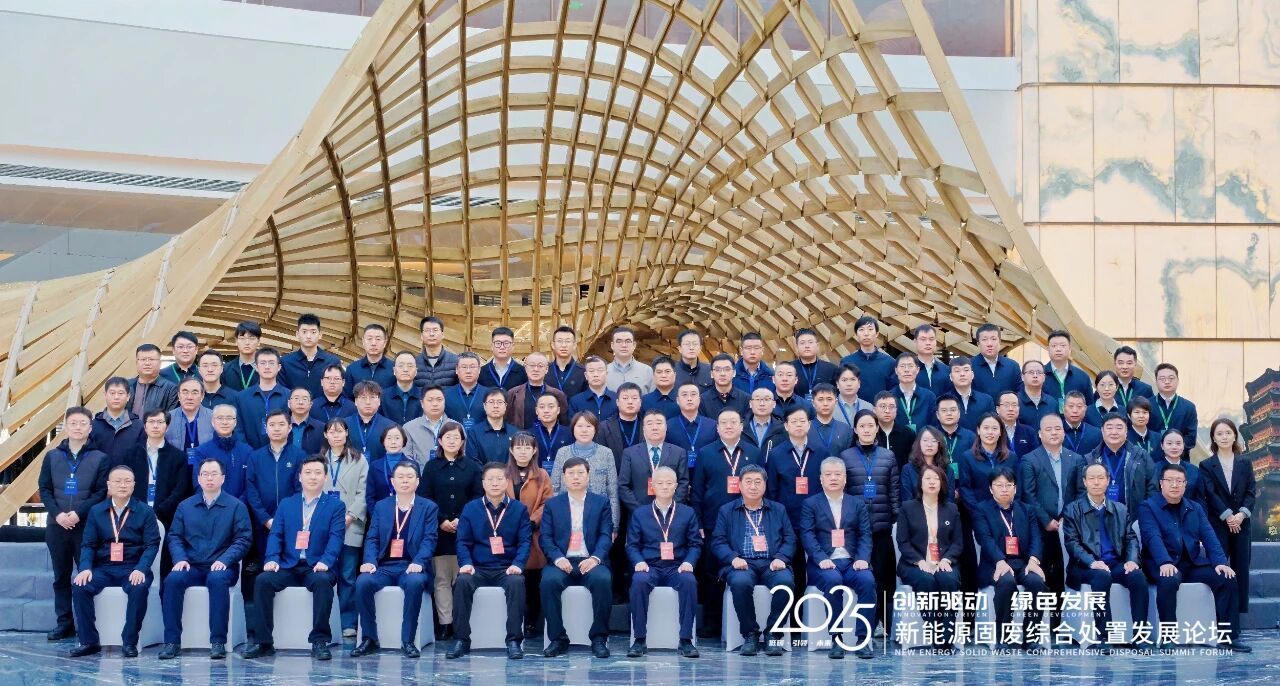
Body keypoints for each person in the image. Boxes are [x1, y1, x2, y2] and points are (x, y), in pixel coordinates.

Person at [243, 455, 346, 660]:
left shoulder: (336, 506)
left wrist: (326, 561)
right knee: (263, 580)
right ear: (299, 477)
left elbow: (336, 538)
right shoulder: (286, 504)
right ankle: (264, 642)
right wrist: (272, 559)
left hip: (317, 566)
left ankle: (319, 641)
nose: (312, 477)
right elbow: (276, 534)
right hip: (288, 565)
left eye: (318, 473)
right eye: (308, 473)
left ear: (325, 477)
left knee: (323, 582)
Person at [1139, 462, 1250, 652]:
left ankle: (1227, 637)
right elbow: (1152, 537)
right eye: (1170, 480)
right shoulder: (1148, 507)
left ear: (1185, 485)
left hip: (1191, 563)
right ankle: (1168, 637)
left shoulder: (1194, 508)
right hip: (1161, 564)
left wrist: (1221, 562)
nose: (1175, 485)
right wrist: (1164, 561)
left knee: (1226, 577)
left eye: (1179, 481)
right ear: (1161, 483)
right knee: (1168, 579)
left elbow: (1209, 536)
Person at [159, 458, 253, 660]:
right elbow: (174, 536)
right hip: (192, 565)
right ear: (199, 478)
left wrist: (225, 560)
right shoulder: (185, 506)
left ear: (223, 478)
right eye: (205, 474)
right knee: (173, 580)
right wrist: (180, 558)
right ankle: (172, 642)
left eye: (214, 474)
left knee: (217, 580)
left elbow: (243, 539)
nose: (209, 478)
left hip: (223, 566)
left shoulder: (236, 506)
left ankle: (218, 641)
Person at [69, 465, 162, 657]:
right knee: (80, 586)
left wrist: (141, 568)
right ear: (109, 485)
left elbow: (152, 544)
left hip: (133, 567)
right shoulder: (96, 511)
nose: (122, 485)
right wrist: (85, 568)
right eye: (118, 481)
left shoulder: (145, 511)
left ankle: (129, 641)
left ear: (134, 485)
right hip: (103, 567)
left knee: (139, 587)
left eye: (127, 481)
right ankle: (89, 641)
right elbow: (88, 544)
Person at [350, 461, 441, 658]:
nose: (405, 481)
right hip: (384, 566)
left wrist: (419, 562)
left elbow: (429, 539)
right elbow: (373, 538)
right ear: (392, 481)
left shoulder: (429, 507)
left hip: (411, 566)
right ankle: (369, 638)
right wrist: (370, 561)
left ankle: (408, 640)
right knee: (363, 582)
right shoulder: (382, 506)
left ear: (417, 481)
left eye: (409, 477)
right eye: (400, 477)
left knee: (415, 583)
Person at [447, 463, 534, 660]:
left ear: (507, 481)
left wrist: (518, 564)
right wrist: (466, 563)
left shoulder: (519, 509)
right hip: (477, 567)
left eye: (499, 479)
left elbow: (524, 542)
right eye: (490, 479)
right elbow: (462, 541)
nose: (495, 483)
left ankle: (514, 640)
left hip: (507, 568)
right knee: (461, 582)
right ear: (483, 483)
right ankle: (461, 639)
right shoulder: (471, 508)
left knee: (517, 583)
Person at [1061, 462, 1149, 653]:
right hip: (1084, 567)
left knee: (1138, 577)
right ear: (1084, 482)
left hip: (1115, 563)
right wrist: (1092, 562)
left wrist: (1132, 560)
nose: (1096, 482)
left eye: (1101, 478)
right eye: (1091, 478)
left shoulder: (1120, 509)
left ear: (1108, 481)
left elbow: (1131, 539)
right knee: (1101, 576)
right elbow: (1072, 544)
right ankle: (1104, 636)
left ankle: (1140, 636)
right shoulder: (1072, 509)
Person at [39, 407, 110, 642]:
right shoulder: (52, 456)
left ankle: (87, 625)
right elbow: (45, 489)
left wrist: (78, 514)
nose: (78, 427)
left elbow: (100, 492)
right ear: (66, 427)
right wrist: (58, 514)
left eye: (83, 423)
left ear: (90, 428)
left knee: (87, 575)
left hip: (86, 526)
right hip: (56, 525)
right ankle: (64, 623)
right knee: (61, 576)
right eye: (73, 423)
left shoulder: (100, 458)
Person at [710, 465, 795, 657]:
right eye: (748, 482)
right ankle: (750, 634)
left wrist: (781, 557)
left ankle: (774, 633)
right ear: (739, 485)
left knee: (785, 583)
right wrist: (732, 558)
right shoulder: (727, 510)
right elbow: (718, 541)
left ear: (765, 485)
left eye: (758, 482)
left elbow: (790, 539)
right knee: (740, 583)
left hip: (772, 563)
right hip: (742, 563)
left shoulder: (778, 509)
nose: (753, 486)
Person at [800, 457, 876, 660]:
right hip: (823, 563)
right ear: (821, 479)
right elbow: (807, 535)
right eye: (828, 474)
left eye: (837, 474)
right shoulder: (811, 504)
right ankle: (837, 638)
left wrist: (862, 558)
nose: (833, 478)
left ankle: (863, 639)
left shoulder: (857, 504)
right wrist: (820, 558)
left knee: (867, 581)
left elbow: (865, 534)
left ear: (845, 478)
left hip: (852, 562)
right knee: (833, 581)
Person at [539, 457, 615, 658]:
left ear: (588, 476)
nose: (575, 477)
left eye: (580, 473)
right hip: (562, 560)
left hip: (590, 559)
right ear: (563, 477)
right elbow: (545, 537)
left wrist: (595, 558)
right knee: (548, 582)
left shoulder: (601, 502)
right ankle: (558, 639)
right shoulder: (553, 504)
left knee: (603, 580)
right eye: (571, 473)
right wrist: (558, 558)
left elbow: (605, 535)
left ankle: (598, 638)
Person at [1018, 412, 1085, 630]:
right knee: (1043, 570)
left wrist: (1066, 516)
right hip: (1039, 527)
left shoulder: (1076, 459)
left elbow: (1079, 491)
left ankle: (1059, 620)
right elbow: (1028, 494)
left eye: (1058, 428)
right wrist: (1046, 520)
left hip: (1068, 526)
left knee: (1063, 572)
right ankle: (1041, 622)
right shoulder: (1030, 460)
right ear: (1040, 434)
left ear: (1064, 432)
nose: (1054, 433)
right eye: (1048, 429)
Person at [626, 465, 701, 658]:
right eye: (660, 483)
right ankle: (639, 639)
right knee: (639, 581)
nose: (665, 487)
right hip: (650, 566)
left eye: (669, 483)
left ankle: (686, 640)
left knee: (689, 581)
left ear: (676, 486)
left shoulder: (687, 513)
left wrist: (689, 562)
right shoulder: (640, 513)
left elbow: (695, 544)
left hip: (677, 566)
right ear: (652, 485)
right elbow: (632, 545)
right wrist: (638, 562)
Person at [417, 421, 482, 641]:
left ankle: (462, 622)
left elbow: (477, 496)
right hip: (440, 531)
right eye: (447, 437)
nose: (452, 441)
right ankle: (446, 623)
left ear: (463, 441)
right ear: (440, 441)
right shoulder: (431, 467)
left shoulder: (472, 466)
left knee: (462, 578)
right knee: (442, 579)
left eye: (456, 437)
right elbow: (425, 496)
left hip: (466, 531)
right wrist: (441, 520)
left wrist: (462, 519)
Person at [837, 409, 899, 637]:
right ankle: (866, 625)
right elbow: (842, 492)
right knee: (864, 577)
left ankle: (884, 622)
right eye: (862, 426)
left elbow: (894, 490)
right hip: (856, 531)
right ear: (855, 429)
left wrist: (894, 516)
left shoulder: (888, 456)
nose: (866, 430)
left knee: (884, 578)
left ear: (877, 428)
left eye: (870, 425)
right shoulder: (846, 456)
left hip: (881, 528)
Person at [972, 468, 1049, 651]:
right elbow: (984, 539)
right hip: (994, 563)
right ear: (991, 489)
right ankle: (1003, 638)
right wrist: (1000, 561)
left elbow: (1036, 538)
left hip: (1023, 563)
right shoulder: (981, 509)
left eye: (1008, 485)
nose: (1004, 489)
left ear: (1015, 488)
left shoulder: (1026, 510)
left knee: (1037, 583)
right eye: (999, 485)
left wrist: (1033, 560)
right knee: (1006, 582)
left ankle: (1031, 638)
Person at [896, 464, 962, 651]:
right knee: (926, 580)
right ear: (920, 483)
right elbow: (903, 542)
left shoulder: (951, 509)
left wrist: (946, 559)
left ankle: (946, 638)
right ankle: (934, 632)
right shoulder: (908, 508)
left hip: (944, 562)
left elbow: (957, 543)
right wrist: (920, 561)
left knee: (948, 580)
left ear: (942, 483)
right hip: (914, 563)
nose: (932, 482)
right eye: (928, 478)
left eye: (936, 479)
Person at [1199, 418, 1256, 616]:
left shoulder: (1245, 462)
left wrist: (1241, 515)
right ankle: (1219, 613)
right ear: (1213, 438)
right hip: (1219, 524)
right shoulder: (1206, 465)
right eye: (1219, 433)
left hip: (1242, 524)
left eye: (1228, 433)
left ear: (1234, 436)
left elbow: (1251, 491)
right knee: (1220, 568)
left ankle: (1238, 616)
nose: (1224, 437)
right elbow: (1210, 492)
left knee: (1241, 569)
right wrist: (1228, 515)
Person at [322, 418, 368, 640]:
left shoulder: (359, 459)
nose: (336, 435)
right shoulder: (319, 460)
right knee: (325, 575)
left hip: (350, 524)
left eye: (340, 431)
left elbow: (363, 492)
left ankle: (348, 622)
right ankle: (325, 622)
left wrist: (350, 516)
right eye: (331, 432)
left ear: (347, 433)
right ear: (325, 435)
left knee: (348, 576)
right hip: (324, 526)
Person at [505, 433, 553, 638]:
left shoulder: (542, 475)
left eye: (527, 448)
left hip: (534, 534)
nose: (522, 452)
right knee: (514, 579)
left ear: (534, 451)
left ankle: (532, 622)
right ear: (511, 450)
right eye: (518, 447)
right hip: (508, 534)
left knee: (533, 581)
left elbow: (547, 502)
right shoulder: (503, 474)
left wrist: (531, 521)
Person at [246, 410, 305, 558]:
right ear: (266, 428)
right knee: (265, 564)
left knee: (290, 563)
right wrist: (265, 519)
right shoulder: (255, 457)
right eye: (272, 425)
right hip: (262, 523)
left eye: (281, 424)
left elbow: (302, 489)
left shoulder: (299, 455)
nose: (276, 428)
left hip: (291, 521)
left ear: (289, 428)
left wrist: (287, 516)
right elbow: (251, 490)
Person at [550, 412, 621, 530]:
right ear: (573, 429)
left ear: (595, 429)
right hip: (567, 516)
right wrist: (556, 519)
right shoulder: (563, 452)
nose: (584, 430)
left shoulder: (606, 453)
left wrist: (614, 525)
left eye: (588, 426)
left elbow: (612, 493)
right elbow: (554, 489)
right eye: (580, 426)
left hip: (599, 517)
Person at [122, 409, 192, 528]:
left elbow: (180, 490)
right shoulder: (131, 454)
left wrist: (159, 512)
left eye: (160, 422)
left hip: (166, 518)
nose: (155, 426)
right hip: (134, 515)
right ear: (145, 427)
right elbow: (124, 485)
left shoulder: (179, 457)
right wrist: (138, 511)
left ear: (167, 427)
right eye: (151, 422)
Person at [1084, 413, 1156, 523]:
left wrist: (1145, 514)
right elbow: (1082, 491)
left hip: (1135, 519)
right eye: (1109, 428)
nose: (1114, 432)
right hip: (1098, 520)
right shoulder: (1091, 459)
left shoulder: (1141, 456)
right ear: (1102, 431)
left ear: (1126, 431)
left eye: (1119, 428)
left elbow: (1152, 487)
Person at [619, 410, 690, 513]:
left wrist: (668, 507)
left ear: (666, 427)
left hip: (671, 514)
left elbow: (683, 483)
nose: (654, 427)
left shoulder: (679, 452)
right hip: (639, 514)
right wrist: (640, 511)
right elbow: (623, 486)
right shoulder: (630, 453)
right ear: (643, 428)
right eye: (649, 423)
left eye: (659, 423)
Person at [956, 413, 1020, 520]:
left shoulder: (1011, 457)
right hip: (979, 515)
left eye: (994, 428)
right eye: (986, 428)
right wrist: (978, 513)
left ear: (1001, 432)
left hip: (1008, 515)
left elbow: (1017, 487)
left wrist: (1010, 511)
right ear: (978, 430)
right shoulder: (967, 457)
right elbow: (966, 489)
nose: (990, 432)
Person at [190, 403, 253, 498]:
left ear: (235, 422)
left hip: (241, 505)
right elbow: (198, 484)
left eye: (229, 418)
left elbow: (251, 484)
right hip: (211, 505)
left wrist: (238, 504)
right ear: (212, 422)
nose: (224, 422)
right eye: (220, 418)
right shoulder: (201, 451)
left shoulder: (247, 451)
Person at [235, 348, 290, 450]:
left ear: (279, 367)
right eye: (263, 363)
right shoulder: (242, 397)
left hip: (283, 452)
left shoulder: (289, 396)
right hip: (250, 454)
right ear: (256, 367)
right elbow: (238, 429)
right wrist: (246, 451)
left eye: (271, 363)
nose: (267, 367)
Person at [280, 314, 343, 402]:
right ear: (297, 334)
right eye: (304, 332)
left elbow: (339, 392)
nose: (308, 336)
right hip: (294, 410)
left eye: (313, 332)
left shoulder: (332, 362)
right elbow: (282, 393)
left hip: (323, 409)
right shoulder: (285, 362)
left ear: (320, 335)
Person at [505, 352, 569, 429]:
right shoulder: (513, 394)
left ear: (546, 369)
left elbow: (564, 424)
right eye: (532, 365)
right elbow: (508, 422)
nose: (536, 369)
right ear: (525, 368)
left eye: (540, 366)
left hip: (549, 436)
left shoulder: (558, 395)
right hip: (522, 436)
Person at [89, 377, 144, 466]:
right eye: (112, 393)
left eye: (120, 393)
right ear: (105, 395)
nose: (116, 397)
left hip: (129, 474)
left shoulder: (139, 426)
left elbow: (142, 458)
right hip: (100, 474)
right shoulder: (93, 426)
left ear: (128, 396)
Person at [839, 316, 894, 402]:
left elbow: (893, 391)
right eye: (861, 329)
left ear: (877, 334)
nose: (866, 333)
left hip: (881, 408)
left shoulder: (889, 362)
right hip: (854, 408)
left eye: (870, 329)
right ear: (856, 335)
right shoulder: (847, 362)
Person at [345, 381, 398, 462]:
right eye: (363, 397)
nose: (368, 402)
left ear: (379, 401)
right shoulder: (344, 425)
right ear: (355, 401)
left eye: (372, 397)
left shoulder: (390, 427)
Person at [900, 426, 954, 504]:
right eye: (925, 440)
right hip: (915, 511)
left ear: (939, 445)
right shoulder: (908, 469)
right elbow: (907, 500)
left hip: (942, 511)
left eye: (934, 441)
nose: (929, 444)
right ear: (919, 443)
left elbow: (949, 501)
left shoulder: (948, 470)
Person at [596, 382, 644, 469]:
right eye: (625, 398)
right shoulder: (604, 427)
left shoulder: (648, 425)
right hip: (615, 473)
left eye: (634, 398)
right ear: (617, 402)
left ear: (640, 402)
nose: (630, 402)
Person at [465, 387, 519, 464]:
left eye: (500, 402)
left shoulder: (515, 433)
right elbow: (473, 461)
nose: (495, 406)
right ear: (484, 406)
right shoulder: (473, 432)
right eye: (491, 402)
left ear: (506, 406)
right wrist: (489, 472)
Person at [970, 324, 1023, 399]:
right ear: (978, 344)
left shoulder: (1013, 366)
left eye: (993, 339)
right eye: (984, 339)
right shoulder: (969, 366)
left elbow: (1020, 394)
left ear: (1000, 342)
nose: (989, 344)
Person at [667, 382, 718, 459]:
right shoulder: (668, 426)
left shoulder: (712, 426)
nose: (689, 399)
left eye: (693, 394)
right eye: (684, 395)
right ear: (677, 400)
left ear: (699, 400)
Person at [1150, 363, 1198, 443]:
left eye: (1171, 378)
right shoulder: (1147, 405)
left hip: (1180, 450)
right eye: (1162, 379)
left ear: (1178, 381)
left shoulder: (1189, 407)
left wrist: (1175, 447)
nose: (1167, 382)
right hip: (1152, 450)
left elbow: (1191, 437)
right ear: (1156, 381)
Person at [344, 323, 395, 398]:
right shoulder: (352, 369)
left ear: (385, 343)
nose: (373, 343)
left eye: (378, 339)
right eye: (369, 339)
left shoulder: (394, 368)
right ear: (363, 342)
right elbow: (347, 399)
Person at [166, 378, 213, 457]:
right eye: (185, 392)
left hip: (206, 463)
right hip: (176, 464)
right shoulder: (167, 418)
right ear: (178, 395)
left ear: (202, 396)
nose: (189, 397)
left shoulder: (214, 417)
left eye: (195, 393)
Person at [128, 343, 179, 416]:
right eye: (143, 359)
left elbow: (172, 418)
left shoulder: (171, 389)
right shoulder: (125, 386)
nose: (147, 363)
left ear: (160, 363)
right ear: (136, 363)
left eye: (151, 359)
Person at [891, 353, 937, 433]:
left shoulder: (929, 396)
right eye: (902, 366)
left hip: (923, 439)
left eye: (910, 366)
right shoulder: (890, 397)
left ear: (917, 370)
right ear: (896, 370)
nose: (906, 370)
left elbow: (934, 425)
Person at [946, 356, 995, 432]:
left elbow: (992, 426)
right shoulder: (943, 401)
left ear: (972, 375)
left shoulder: (986, 401)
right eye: (957, 371)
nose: (962, 374)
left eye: (966, 370)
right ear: (950, 377)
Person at [402, 386, 448, 465]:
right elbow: (406, 458)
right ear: (422, 403)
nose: (435, 404)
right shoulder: (409, 428)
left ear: (444, 402)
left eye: (439, 399)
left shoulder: (455, 427)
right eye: (430, 400)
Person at [1154, 428, 1201, 501]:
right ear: (1162, 446)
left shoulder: (1194, 470)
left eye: (1178, 443)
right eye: (1169, 443)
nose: (1174, 447)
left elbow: (1200, 498)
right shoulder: (1154, 470)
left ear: (1183, 445)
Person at [445, 352, 489, 428]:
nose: (468, 371)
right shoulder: (446, 395)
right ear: (456, 370)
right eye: (464, 367)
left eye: (472, 367)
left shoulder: (489, 395)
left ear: (479, 370)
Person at [414, 315, 460, 388]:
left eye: (435, 330)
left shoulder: (456, 361)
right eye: (427, 330)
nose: (431, 334)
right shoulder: (414, 363)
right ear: (421, 336)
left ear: (442, 334)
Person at [809, 383, 853, 458]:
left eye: (829, 399)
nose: (825, 404)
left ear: (836, 402)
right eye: (820, 399)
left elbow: (849, 458)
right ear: (813, 403)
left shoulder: (845, 429)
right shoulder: (805, 428)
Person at [872, 391, 915, 467]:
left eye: (891, 407)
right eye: (883, 406)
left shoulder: (908, 433)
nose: (887, 411)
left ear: (896, 410)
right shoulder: (870, 433)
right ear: (874, 410)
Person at [605, 326, 654, 392]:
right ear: (612, 345)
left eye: (628, 341)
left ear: (634, 345)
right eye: (619, 341)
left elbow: (654, 397)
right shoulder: (603, 372)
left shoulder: (647, 371)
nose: (624, 345)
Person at [701, 353, 751, 419]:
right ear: (711, 374)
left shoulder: (746, 399)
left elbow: (747, 423)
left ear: (734, 373)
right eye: (717, 370)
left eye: (727, 369)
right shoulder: (702, 400)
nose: (722, 374)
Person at [532, 394, 572, 472]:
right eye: (542, 407)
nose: (546, 411)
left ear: (558, 410)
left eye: (551, 407)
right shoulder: (528, 434)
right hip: (536, 477)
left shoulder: (569, 433)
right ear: (536, 411)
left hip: (563, 477)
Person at [380, 352, 423, 425]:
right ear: (394, 370)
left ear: (416, 371)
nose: (405, 369)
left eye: (410, 366)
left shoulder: (424, 396)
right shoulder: (383, 396)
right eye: (401, 366)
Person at [569, 355, 617, 420]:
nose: (595, 375)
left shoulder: (617, 399)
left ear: (606, 374)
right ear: (586, 375)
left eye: (600, 370)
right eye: (591, 371)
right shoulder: (575, 401)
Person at [479, 326, 528, 391]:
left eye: (506, 343)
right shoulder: (481, 372)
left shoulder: (523, 372)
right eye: (498, 343)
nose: (502, 347)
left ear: (513, 346)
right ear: (492, 346)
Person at [933, 395, 977, 466]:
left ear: (959, 413)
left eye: (953, 410)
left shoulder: (971, 437)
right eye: (944, 410)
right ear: (937, 415)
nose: (949, 413)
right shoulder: (932, 435)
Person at [909, 324, 951, 397]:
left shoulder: (946, 370)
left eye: (931, 339)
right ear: (915, 341)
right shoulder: (907, 370)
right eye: (923, 339)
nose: (928, 343)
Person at [547, 325, 587, 398]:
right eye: (560, 341)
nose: (564, 345)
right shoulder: (544, 371)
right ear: (553, 345)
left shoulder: (584, 372)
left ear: (574, 345)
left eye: (568, 341)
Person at [995, 390, 1039, 457]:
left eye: (1014, 405)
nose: (1010, 409)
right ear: (997, 409)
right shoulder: (993, 432)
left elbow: (1035, 457)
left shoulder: (1029, 432)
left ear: (1019, 408)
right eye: (1006, 405)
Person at [222, 321, 262, 392]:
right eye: (242, 338)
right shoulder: (225, 370)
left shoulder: (267, 368)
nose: (247, 343)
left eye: (251, 338)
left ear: (258, 342)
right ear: (236, 341)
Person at [285, 387, 326, 455]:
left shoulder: (321, 428)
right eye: (296, 398)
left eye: (304, 399)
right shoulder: (282, 426)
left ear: (310, 404)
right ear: (289, 403)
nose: (300, 402)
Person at [1061, 391, 1103, 456]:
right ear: (1063, 408)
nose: (1075, 411)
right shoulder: (1055, 432)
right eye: (1071, 406)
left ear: (1085, 408)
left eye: (1079, 406)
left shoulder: (1096, 433)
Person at [1017, 360, 1054, 430]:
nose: (1035, 376)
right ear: (1022, 377)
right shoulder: (1015, 401)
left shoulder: (1052, 403)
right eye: (1031, 372)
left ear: (1044, 377)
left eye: (1039, 372)